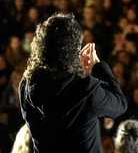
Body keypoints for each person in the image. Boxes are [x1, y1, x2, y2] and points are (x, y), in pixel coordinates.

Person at [19, 13, 128, 152]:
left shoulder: (26, 85)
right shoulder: (87, 91)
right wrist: (98, 67)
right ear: (74, 49)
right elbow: (120, 104)